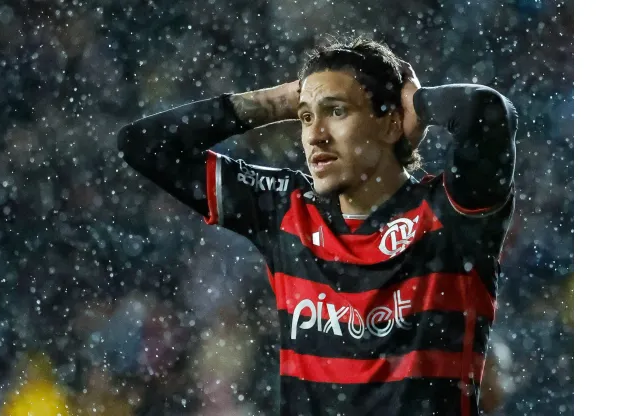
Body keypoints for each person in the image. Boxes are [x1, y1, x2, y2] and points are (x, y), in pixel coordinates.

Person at [117, 36, 517, 416]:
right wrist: (278, 102)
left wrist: (414, 100)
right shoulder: (286, 208)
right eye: (306, 116)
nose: (315, 135)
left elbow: (487, 112)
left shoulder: (452, 213)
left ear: (392, 123)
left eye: (337, 111)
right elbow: (143, 145)